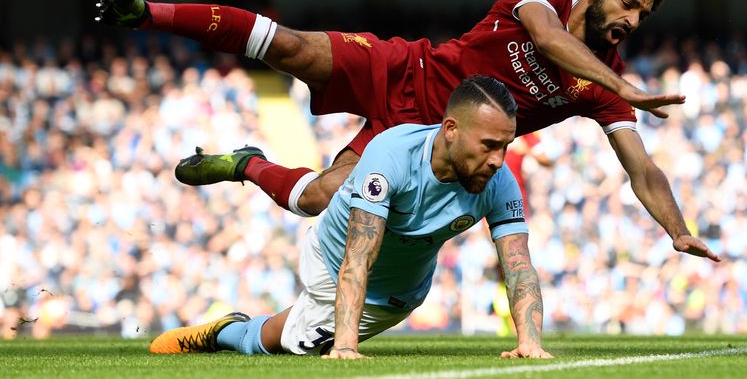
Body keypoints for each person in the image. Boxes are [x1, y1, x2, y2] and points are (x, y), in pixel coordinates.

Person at [96, 0, 719, 261]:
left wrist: (678, 230)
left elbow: (643, 169)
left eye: (644, 14)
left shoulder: (602, 86)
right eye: (628, 3)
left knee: (318, 199)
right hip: (405, 69)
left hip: (420, 139)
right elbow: (548, 37)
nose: (633, 21)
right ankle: (146, 12)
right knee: (291, 47)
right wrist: (623, 85)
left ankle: (245, 164)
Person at [148, 76, 553, 359]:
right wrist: (345, 344)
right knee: (292, 345)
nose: (497, 159)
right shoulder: (393, 156)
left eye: (505, 145)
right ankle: (226, 331)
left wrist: (530, 341)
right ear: (450, 129)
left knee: (305, 336)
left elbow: (518, 265)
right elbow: (358, 255)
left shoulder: (499, 181)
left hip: (399, 296)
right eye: (488, 145)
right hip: (332, 261)